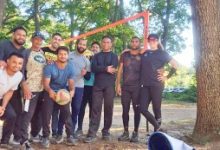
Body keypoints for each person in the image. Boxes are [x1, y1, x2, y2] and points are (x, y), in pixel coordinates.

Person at [139, 34, 178, 132]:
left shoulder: (162, 53)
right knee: (142, 108)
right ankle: (158, 127)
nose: (151, 41)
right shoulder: (144, 53)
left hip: (157, 84)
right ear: (148, 41)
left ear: (158, 41)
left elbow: (175, 65)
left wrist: (166, 76)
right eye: (150, 39)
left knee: (156, 109)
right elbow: (132, 51)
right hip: (145, 85)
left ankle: (157, 133)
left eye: (154, 39)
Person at [0, 26, 32, 145]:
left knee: (16, 113)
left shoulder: (24, 51)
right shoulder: (3, 44)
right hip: (2, 79)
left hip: (11, 87)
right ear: (13, 35)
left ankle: (11, 139)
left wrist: (24, 85)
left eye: (24, 35)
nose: (21, 37)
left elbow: (21, 71)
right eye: (19, 34)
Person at [41, 46, 77, 148]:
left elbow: (71, 82)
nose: (62, 56)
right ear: (57, 55)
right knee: (47, 115)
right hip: (50, 92)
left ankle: (70, 136)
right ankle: (45, 137)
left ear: (68, 55)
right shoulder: (50, 66)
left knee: (67, 114)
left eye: (65, 54)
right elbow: (46, 84)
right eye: (60, 54)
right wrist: (50, 91)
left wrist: (72, 90)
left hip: (62, 93)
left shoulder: (70, 67)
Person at [84, 35, 118, 143]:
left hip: (109, 86)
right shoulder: (96, 56)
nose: (106, 44)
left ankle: (106, 131)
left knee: (109, 109)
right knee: (95, 109)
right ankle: (92, 133)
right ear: (101, 43)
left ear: (111, 44)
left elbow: (113, 69)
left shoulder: (114, 56)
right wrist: (105, 68)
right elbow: (93, 68)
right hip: (97, 86)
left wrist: (102, 68)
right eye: (104, 42)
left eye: (108, 42)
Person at [56, 39, 90, 141]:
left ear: (85, 47)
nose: (82, 46)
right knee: (64, 110)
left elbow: (88, 77)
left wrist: (85, 74)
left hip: (79, 87)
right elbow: (58, 64)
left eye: (84, 45)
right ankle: (59, 133)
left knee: (76, 110)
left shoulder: (86, 61)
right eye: (80, 44)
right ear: (76, 44)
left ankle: (71, 133)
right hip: (65, 86)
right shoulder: (68, 55)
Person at [18, 32, 46, 150]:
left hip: (42, 89)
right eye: (36, 39)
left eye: (40, 40)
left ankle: (34, 135)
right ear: (32, 40)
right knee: (27, 115)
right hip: (30, 89)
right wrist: (24, 85)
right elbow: (20, 70)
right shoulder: (26, 52)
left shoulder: (43, 53)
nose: (38, 41)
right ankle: (23, 141)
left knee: (38, 115)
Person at [116, 36, 141, 142]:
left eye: (136, 41)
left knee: (137, 110)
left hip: (138, 88)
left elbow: (157, 50)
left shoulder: (143, 54)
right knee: (125, 110)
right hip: (125, 87)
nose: (134, 43)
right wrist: (117, 84)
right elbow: (120, 70)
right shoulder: (125, 55)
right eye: (133, 41)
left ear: (139, 43)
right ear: (130, 42)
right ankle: (126, 132)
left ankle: (135, 133)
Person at [76, 41, 101, 137]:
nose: (95, 48)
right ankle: (79, 129)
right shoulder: (86, 58)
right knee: (81, 108)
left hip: (95, 87)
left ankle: (91, 129)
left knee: (93, 109)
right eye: (93, 47)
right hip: (83, 86)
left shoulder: (100, 59)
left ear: (99, 49)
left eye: (97, 47)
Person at [0, 53, 24, 149]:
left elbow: (10, 91)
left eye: (20, 63)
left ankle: (4, 141)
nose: (17, 65)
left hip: (1, 98)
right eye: (14, 62)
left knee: (11, 115)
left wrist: (3, 107)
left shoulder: (19, 75)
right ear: (7, 61)